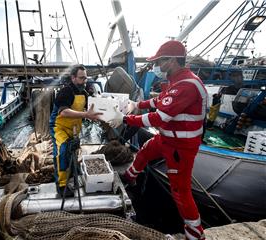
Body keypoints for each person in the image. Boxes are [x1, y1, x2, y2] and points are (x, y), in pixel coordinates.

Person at [108, 40, 207, 240]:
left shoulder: (187, 85)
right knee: (145, 150)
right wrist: (137, 103)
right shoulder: (176, 81)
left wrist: (125, 118)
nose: (157, 66)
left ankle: (196, 235)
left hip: (181, 147)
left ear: (172, 60)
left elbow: (160, 116)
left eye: (160, 61)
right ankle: (130, 177)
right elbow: (159, 100)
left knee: (180, 191)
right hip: (167, 138)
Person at [49, 64, 102, 196]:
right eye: (81, 78)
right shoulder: (66, 91)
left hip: (73, 128)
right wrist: (86, 115)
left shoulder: (83, 93)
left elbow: (88, 110)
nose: (85, 81)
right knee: (62, 152)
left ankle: (72, 171)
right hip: (59, 128)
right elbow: (64, 112)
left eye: (86, 78)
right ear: (73, 78)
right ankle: (61, 186)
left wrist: (100, 117)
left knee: (73, 150)